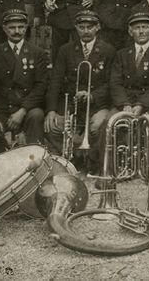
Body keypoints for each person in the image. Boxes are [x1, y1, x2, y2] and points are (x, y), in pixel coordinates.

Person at [45, 10, 116, 173]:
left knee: (98, 126)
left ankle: (93, 159)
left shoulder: (108, 50)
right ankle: (76, 157)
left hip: (98, 103)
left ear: (97, 27)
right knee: (53, 126)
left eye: (89, 27)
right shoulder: (65, 50)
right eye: (81, 27)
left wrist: (92, 95)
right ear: (76, 28)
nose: (85, 31)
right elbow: (55, 81)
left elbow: (111, 83)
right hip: (72, 102)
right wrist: (51, 110)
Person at [0, 9, 48, 153]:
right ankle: (7, 157)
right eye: (12, 27)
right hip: (3, 108)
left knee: (37, 115)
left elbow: (40, 86)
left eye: (21, 27)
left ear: (26, 28)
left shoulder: (38, 53)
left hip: (27, 108)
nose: (17, 31)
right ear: (4, 29)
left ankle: (35, 158)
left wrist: (22, 111)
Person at [109, 12, 149, 115]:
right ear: (130, 32)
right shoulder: (121, 54)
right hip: (126, 103)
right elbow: (115, 82)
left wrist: (141, 104)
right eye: (136, 28)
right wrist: (125, 104)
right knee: (108, 123)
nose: (141, 31)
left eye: (144, 27)